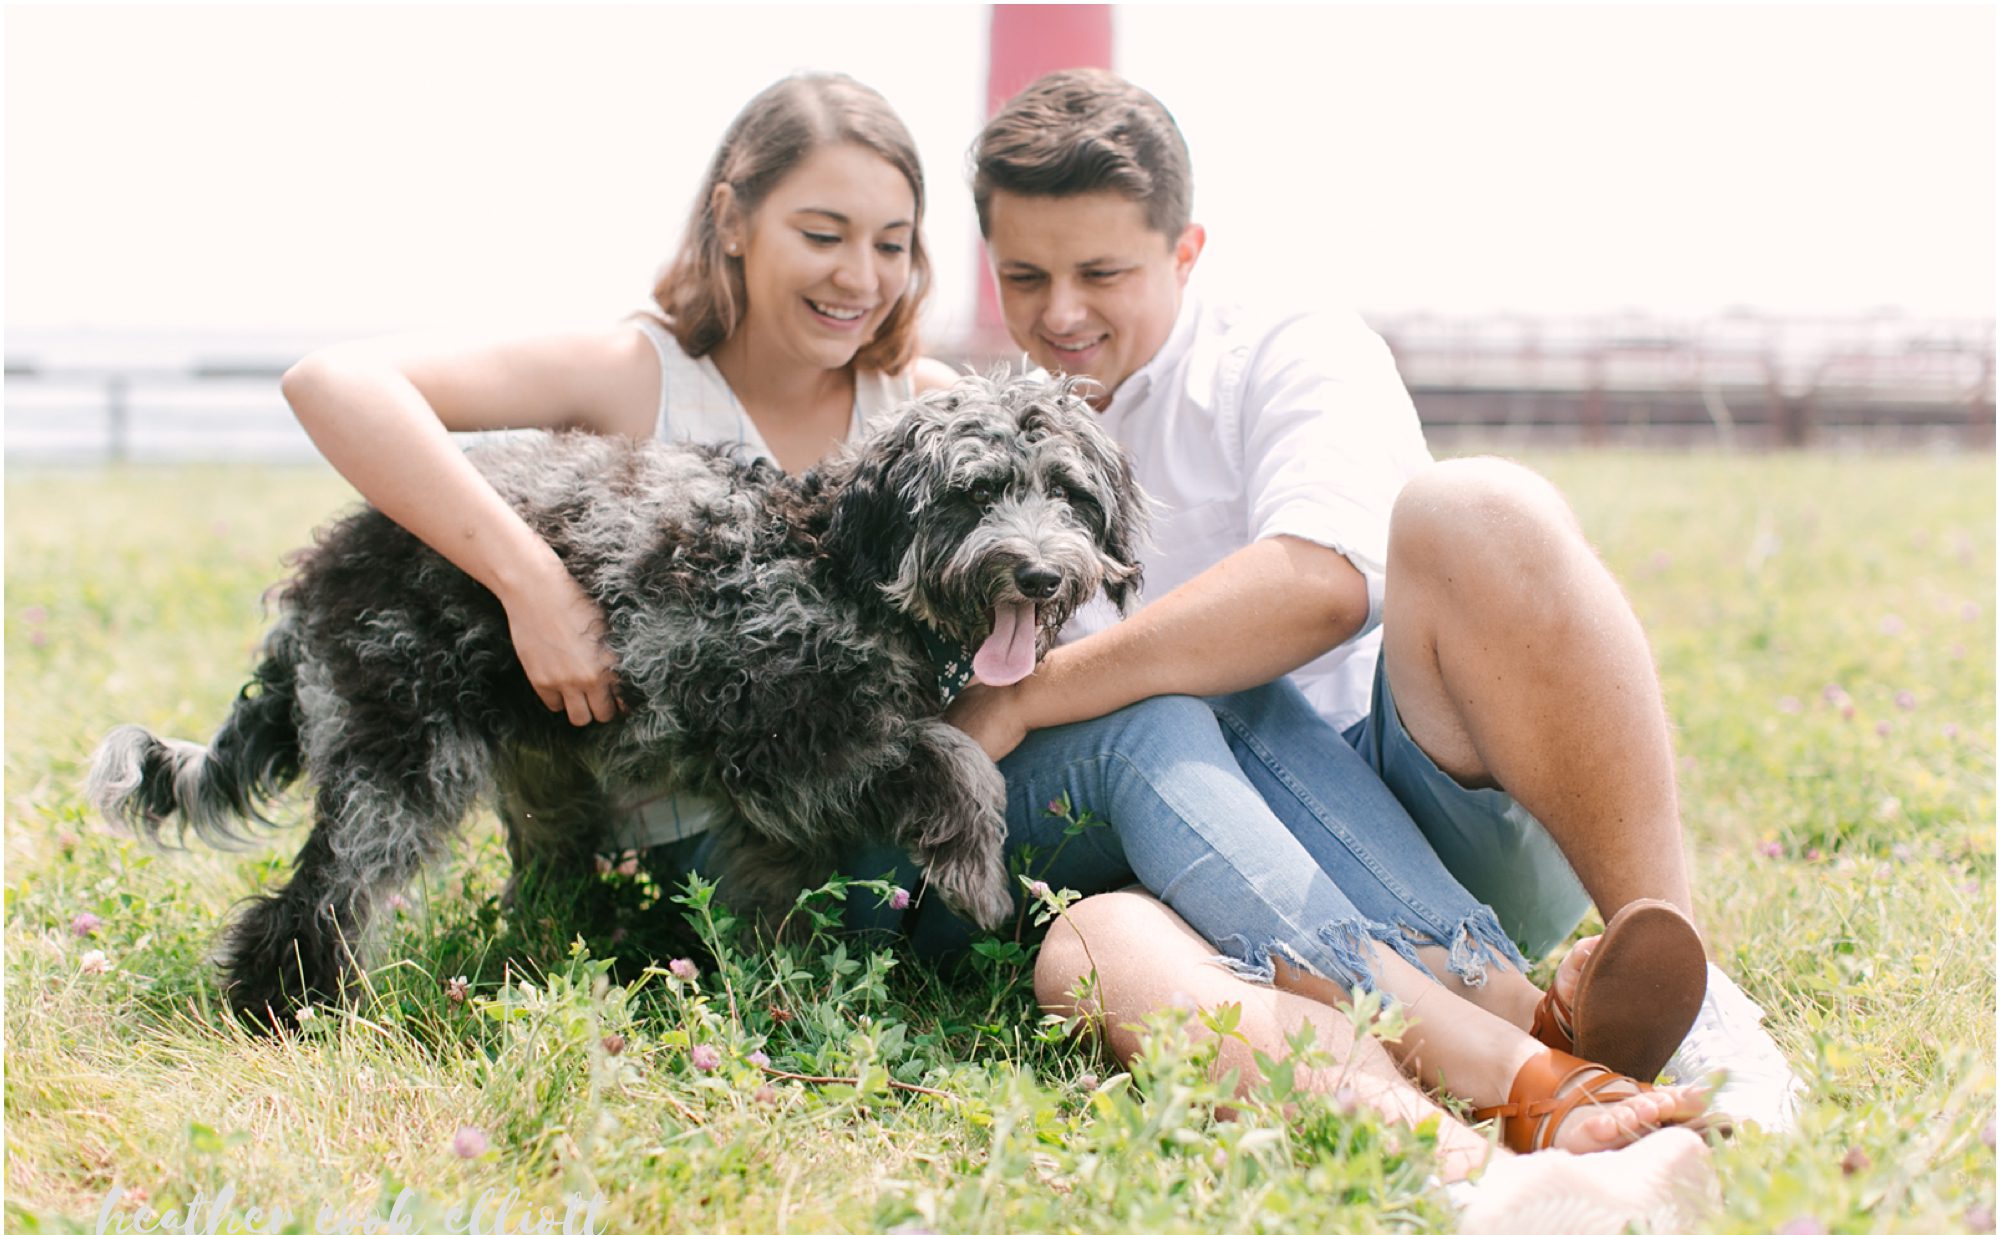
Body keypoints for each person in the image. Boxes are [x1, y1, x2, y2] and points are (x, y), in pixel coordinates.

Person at [283, 71, 1713, 1166]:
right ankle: (1496, 1035)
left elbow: (1291, 583)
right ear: (734, 219)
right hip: (744, 834)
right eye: (822, 233)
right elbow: (340, 383)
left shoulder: (933, 415)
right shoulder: (635, 371)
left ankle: (1504, 1016)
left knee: (1190, 700)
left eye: (890, 243)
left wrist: (1022, 692)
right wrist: (533, 586)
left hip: (929, 794)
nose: (859, 273)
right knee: (1152, 722)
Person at [949, 67, 1801, 1138]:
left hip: (1412, 809)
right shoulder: (985, 425)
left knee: (1476, 509)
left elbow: (1320, 586)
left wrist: (1036, 694)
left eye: (1100, 271)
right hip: (1195, 853)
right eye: (1024, 276)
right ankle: (1520, 1068)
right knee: (1108, 922)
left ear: (1184, 250)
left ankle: (1684, 993)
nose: (1059, 312)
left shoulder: (1286, 348)